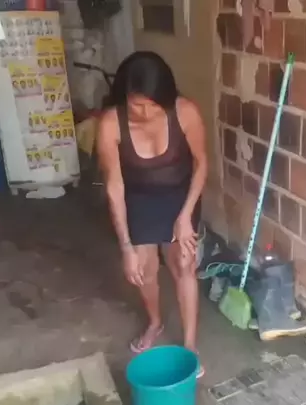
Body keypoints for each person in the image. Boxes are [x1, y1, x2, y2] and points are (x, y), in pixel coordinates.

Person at [96, 51, 207, 375]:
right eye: (136, 106)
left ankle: (190, 345)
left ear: (165, 97)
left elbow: (201, 164)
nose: (144, 113)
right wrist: (126, 247)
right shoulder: (111, 124)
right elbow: (115, 186)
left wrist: (185, 217)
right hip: (139, 198)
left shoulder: (184, 111)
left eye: (152, 106)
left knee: (183, 263)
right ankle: (155, 322)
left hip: (180, 197)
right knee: (143, 270)